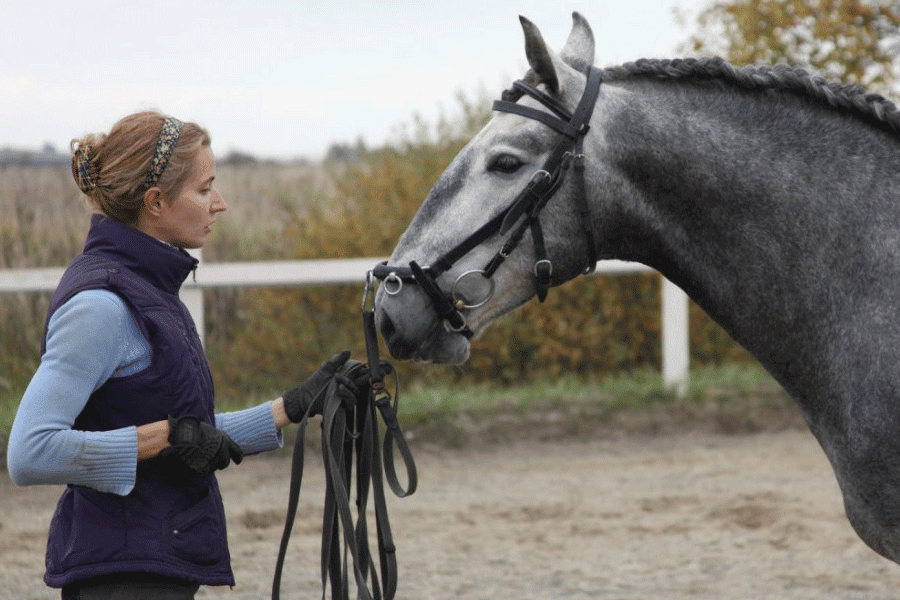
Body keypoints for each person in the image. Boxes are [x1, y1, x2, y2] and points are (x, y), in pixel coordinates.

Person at [6, 111, 363, 599]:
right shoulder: (101, 307)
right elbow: (30, 453)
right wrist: (165, 437)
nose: (221, 204)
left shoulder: (148, 288)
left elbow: (190, 431)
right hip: (123, 578)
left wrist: (293, 407)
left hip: (153, 565)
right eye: (204, 189)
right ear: (156, 202)